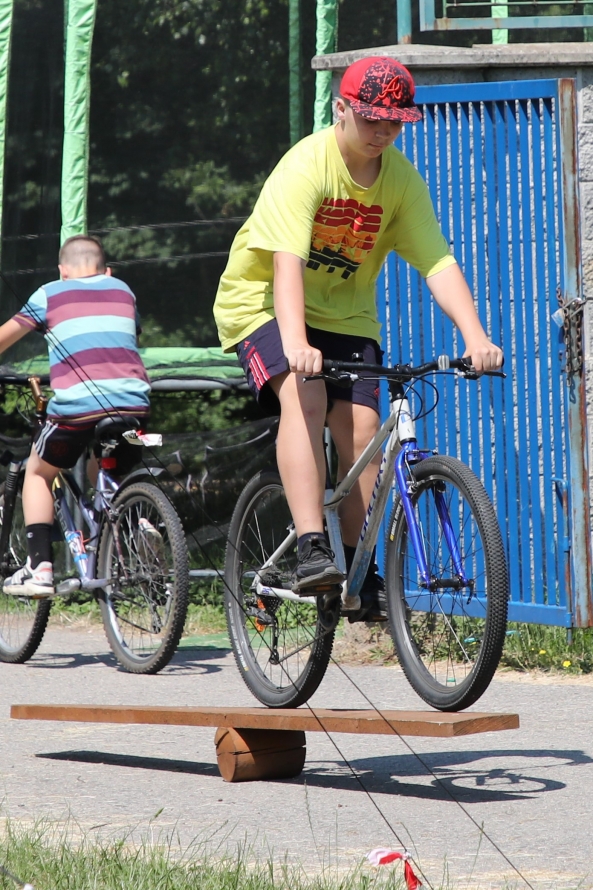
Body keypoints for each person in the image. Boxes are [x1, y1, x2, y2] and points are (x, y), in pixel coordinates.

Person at [214, 56, 503, 620]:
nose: (383, 131)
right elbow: (287, 264)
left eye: (395, 122)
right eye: (371, 118)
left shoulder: (400, 181)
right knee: (307, 397)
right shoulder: (306, 166)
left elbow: (437, 262)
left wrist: (475, 335)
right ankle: (311, 546)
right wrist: (296, 344)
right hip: (264, 302)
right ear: (340, 110)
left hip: (346, 315)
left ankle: (356, 570)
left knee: (364, 428)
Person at [0, 234, 151, 597]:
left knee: (38, 472)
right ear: (107, 270)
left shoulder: (49, 293)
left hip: (76, 410)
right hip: (134, 406)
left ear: (62, 271)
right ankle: (135, 525)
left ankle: (40, 567)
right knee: (110, 461)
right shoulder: (124, 291)